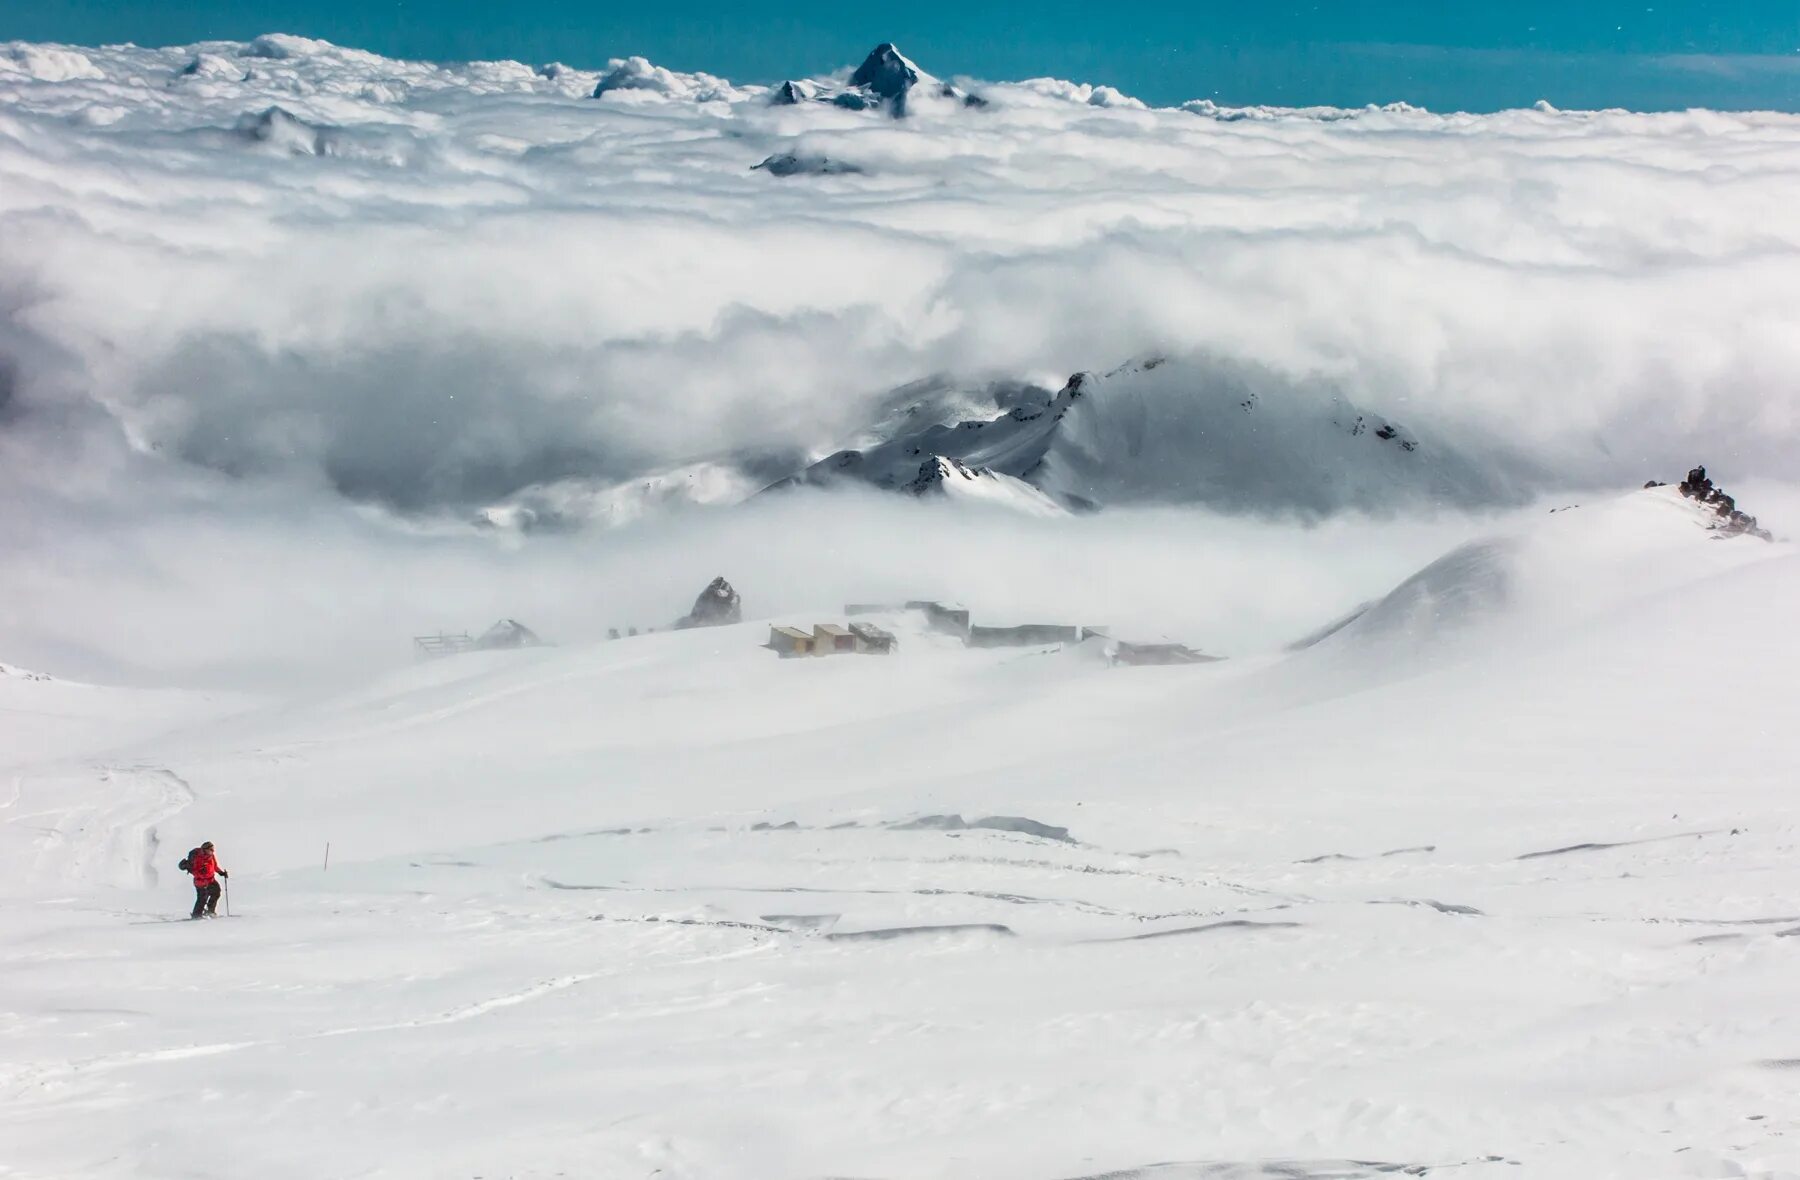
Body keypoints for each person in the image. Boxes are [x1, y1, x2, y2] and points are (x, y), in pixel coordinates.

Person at [181, 841, 229, 919]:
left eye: (213, 849)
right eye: (211, 849)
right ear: (205, 849)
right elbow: (194, 871)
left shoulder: (211, 856)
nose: (213, 851)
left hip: (211, 880)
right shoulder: (198, 858)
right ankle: (196, 915)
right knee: (202, 898)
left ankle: (210, 911)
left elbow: (215, 866)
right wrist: (202, 875)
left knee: (216, 892)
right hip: (200, 882)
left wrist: (221, 873)